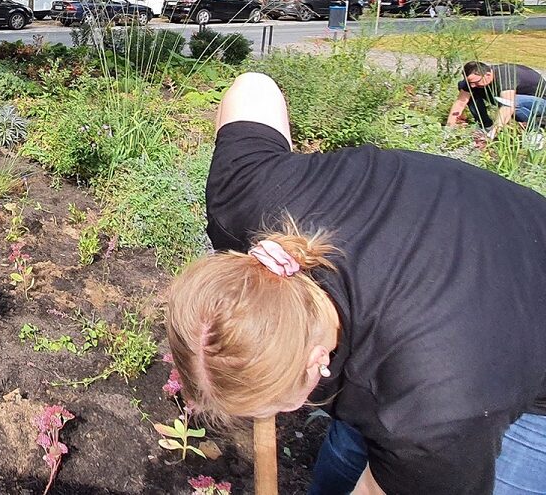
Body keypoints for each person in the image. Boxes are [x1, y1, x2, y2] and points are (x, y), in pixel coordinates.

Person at [165, 72, 546, 495]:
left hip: (521, 356)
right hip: (460, 222)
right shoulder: (246, 196)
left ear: (316, 362)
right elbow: (252, 86)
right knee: (364, 439)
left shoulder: (437, 415)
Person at [445, 60, 545, 136]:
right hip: (512, 100)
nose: (472, 85)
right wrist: (449, 128)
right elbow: (460, 103)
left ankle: (534, 131)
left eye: (476, 82)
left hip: (540, 102)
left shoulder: (505, 76)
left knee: (513, 102)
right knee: (470, 92)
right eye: (470, 83)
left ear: (488, 75)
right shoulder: (473, 82)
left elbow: (508, 106)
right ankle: (485, 125)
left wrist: (492, 134)